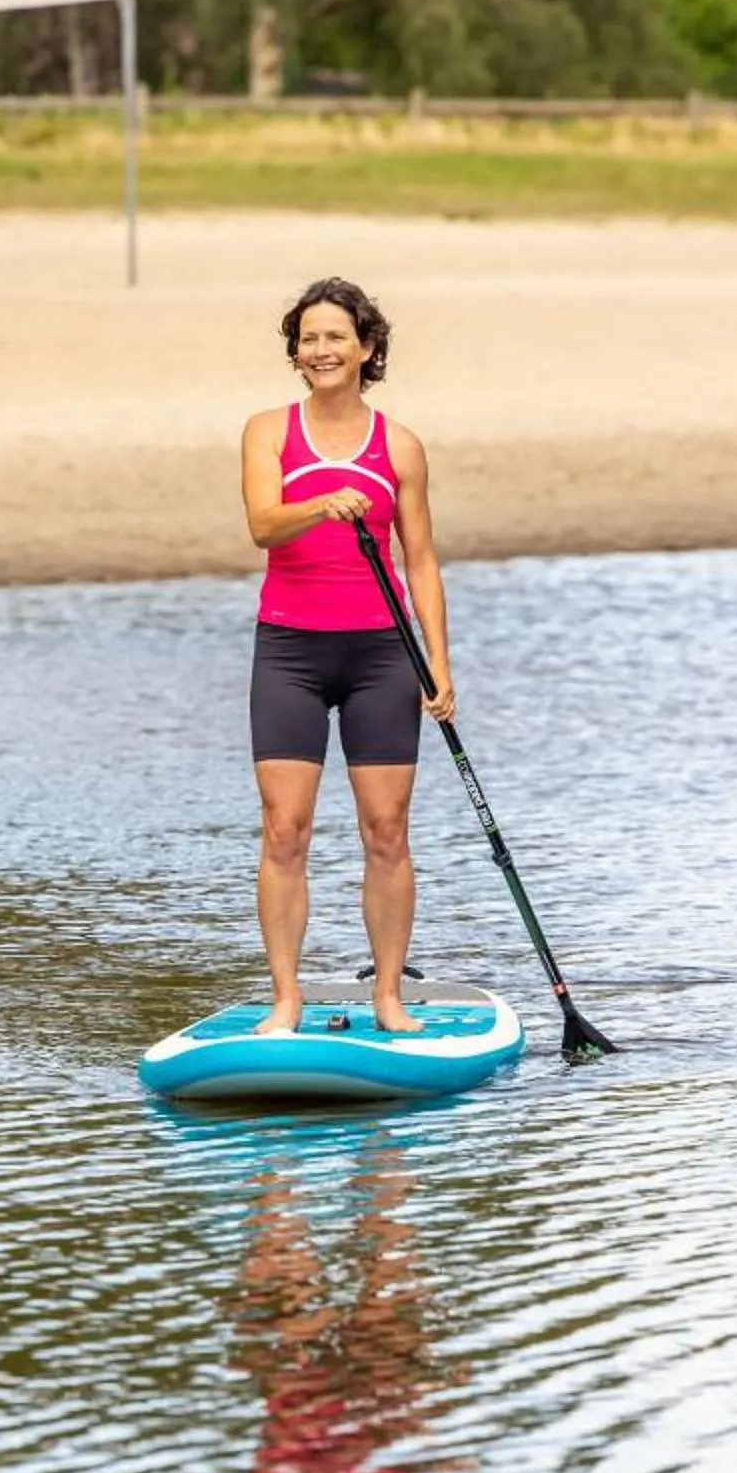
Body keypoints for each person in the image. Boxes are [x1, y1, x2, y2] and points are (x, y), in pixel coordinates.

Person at [239, 277, 453, 1038]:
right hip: (290, 650)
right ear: (295, 353)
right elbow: (264, 525)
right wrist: (320, 504)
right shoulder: (268, 431)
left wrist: (439, 665)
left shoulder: (400, 446)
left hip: (382, 655)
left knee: (386, 829)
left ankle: (389, 997)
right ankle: (286, 1001)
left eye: (336, 337)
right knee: (285, 830)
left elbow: (420, 560)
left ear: (367, 348)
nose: (321, 350)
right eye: (308, 339)